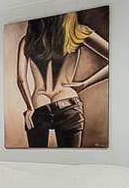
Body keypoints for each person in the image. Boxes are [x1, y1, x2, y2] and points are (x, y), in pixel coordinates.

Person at [15, 11, 108, 147]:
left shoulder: (27, 40)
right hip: (67, 101)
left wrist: (29, 107)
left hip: (38, 104)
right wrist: (86, 83)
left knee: (36, 161)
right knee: (71, 160)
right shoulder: (77, 33)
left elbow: (21, 79)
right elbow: (115, 57)